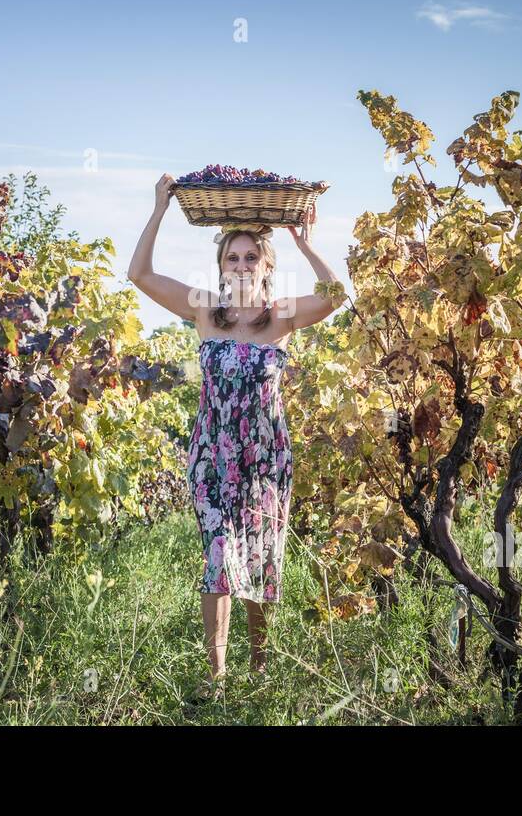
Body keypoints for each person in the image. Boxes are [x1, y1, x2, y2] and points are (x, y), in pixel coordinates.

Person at [127, 172, 344, 699]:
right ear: (220, 266)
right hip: (212, 456)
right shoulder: (204, 309)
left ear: (266, 265)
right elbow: (139, 273)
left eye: (252, 257)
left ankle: (260, 668)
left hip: (266, 459)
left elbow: (337, 294)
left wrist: (305, 243)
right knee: (220, 556)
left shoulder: (280, 316)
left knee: (259, 557)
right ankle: (216, 675)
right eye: (233, 257)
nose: (242, 265)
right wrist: (159, 207)